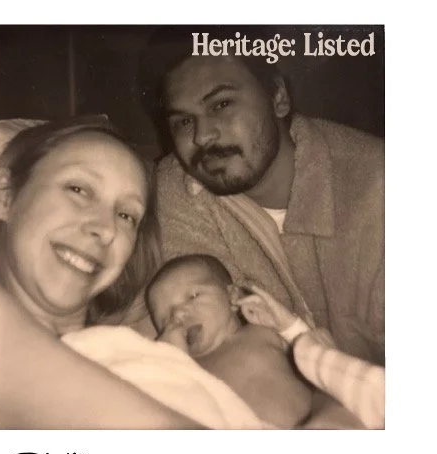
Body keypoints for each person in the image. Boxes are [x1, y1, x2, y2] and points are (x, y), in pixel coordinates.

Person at [0, 115, 270, 430]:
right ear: (3, 194)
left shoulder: (148, 355)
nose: (106, 229)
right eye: (78, 189)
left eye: (126, 215)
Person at [137, 26, 385, 366]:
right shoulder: (175, 194)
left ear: (278, 97)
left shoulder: (380, 186)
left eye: (221, 104)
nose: (202, 136)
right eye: (183, 122)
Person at [146, 253, 384, 429]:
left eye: (192, 296)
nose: (179, 315)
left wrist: (288, 325)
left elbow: (316, 355)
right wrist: (168, 361)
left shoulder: (262, 332)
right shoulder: (187, 369)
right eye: (165, 318)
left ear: (232, 296)